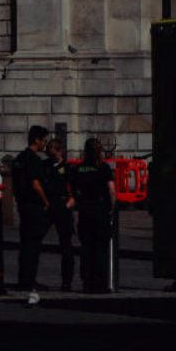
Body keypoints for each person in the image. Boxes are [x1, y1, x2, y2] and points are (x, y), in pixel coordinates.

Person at [12, 125, 51, 306]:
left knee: (25, 244)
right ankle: (30, 280)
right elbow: (36, 184)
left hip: (22, 205)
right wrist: (45, 201)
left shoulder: (19, 159)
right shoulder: (34, 160)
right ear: (37, 140)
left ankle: (23, 279)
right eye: (44, 140)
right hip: (34, 206)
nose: (45, 144)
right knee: (33, 245)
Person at [71, 138, 116, 294]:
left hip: (85, 210)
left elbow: (75, 191)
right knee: (101, 249)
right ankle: (100, 282)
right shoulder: (104, 168)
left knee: (86, 248)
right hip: (100, 210)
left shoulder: (79, 168)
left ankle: (87, 281)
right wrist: (112, 207)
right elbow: (111, 190)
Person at [43, 138, 78, 291]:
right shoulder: (45, 166)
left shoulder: (68, 168)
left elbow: (76, 187)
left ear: (59, 151)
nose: (48, 151)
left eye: (51, 148)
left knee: (66, 245)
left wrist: (71, 201)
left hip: (62, 206)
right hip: (49, 204)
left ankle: (67, 281)